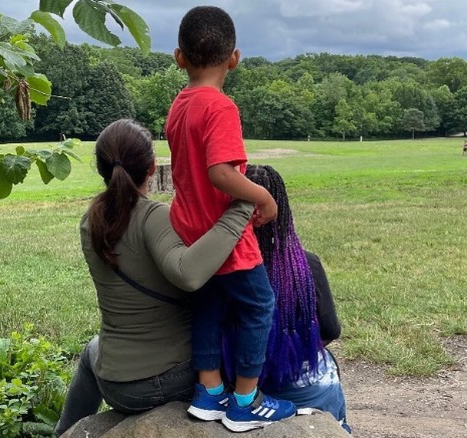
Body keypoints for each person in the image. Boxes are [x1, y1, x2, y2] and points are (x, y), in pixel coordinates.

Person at [54, 119, 255, 436]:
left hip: (111, 379)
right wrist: (241, 207)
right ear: (151, 168)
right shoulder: (154, 217)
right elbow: (188, 275)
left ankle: (65, 431)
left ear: (101, 168)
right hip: (161, 381)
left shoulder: (90, 220)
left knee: (94, 347)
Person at [165, 5, 295, 432]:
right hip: (226, 234)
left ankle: (208, 392)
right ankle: (244, 401)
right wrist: (263, 197)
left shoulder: (179, 105)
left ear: (179, 57)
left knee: (209, 305)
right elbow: (220, 173)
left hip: (192, 234)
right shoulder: (220, 107)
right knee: (260, 306)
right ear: (233, 58)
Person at [234, 164, 353, 434]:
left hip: (245, 387)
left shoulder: (223, 266)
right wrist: (295, 352)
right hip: (308, 389)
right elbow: (331, 329)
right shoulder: (305, 265)